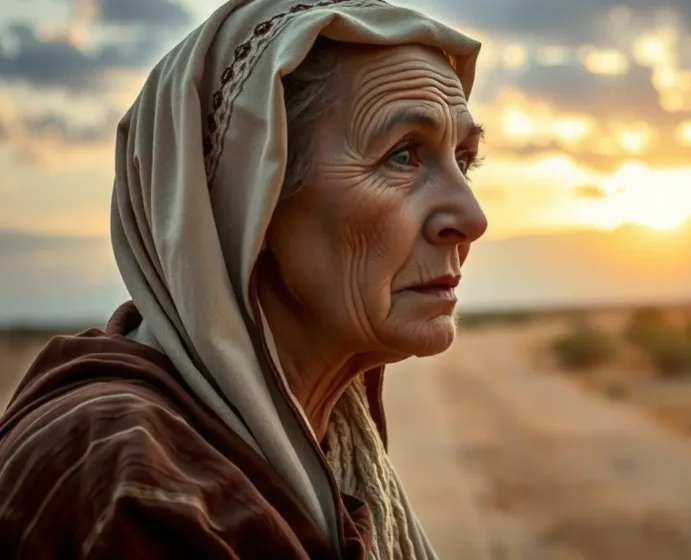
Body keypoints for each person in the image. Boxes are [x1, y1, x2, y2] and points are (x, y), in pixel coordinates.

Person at [0, 0, 487, 558]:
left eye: (466, 159)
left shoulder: (314, 446)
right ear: (247, 206)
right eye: (403, 154)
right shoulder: (128, 487)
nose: (471, 218)